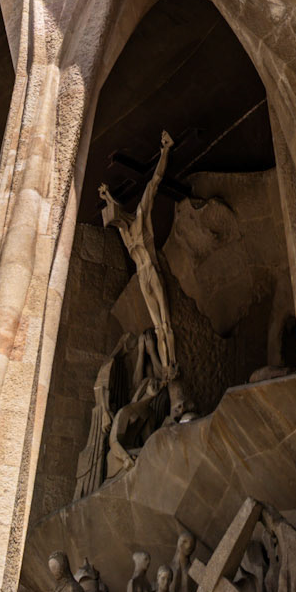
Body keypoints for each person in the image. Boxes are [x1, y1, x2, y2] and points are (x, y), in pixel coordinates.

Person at [99, 133, 184, 416]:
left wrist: (164, 152)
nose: (118, 223)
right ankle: (168, 367)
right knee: (157, 324)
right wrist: (107, 196)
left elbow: (154, 184)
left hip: (152, 272)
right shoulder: (124, 232)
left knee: (165, 324)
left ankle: (172, 364)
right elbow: (115, 215)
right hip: (143, 277)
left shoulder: (141, 217)